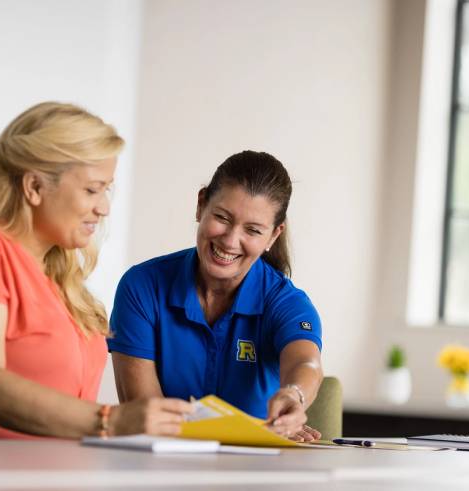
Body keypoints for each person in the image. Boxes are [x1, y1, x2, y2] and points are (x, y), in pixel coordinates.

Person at [0, 102, 192, 439]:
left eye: (107, 190)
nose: (104, 207)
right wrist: (112, 421)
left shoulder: (56, 277)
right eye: (92, 189)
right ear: (34, 187)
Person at [108, 150, 324, 442]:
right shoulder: (142, 286)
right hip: (164, 469)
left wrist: (293, 394)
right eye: (222, 217)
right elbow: (145, 414)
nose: (231, 240)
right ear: (201, 205)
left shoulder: (287, 302)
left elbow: (306, 363)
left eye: (253, 230)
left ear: (274, 235)